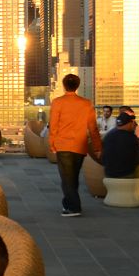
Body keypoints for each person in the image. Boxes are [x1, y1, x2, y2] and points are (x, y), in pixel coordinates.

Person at [48, 73, 103, 217]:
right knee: (73, 176)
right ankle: (70, 204)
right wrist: (97, 147)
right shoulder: (86, 103)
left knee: (66, 178)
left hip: (63, 144)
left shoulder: (57, 102)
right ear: (77, 85)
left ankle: (73, 207)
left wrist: (52, 143)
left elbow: (53, 125)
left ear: (64, 85)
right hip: (80, 144)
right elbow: (93, 128)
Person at [100, 113, 139, 192]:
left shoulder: (108, 136)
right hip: (127, 175)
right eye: (132, 123)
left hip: (108, 174)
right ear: (128, 124)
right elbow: (136, 159)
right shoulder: (131, 138)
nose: (133, 125)